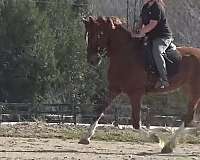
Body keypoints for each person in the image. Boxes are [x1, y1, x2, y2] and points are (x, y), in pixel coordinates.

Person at [134, 0, 173, 89]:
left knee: (157, 51)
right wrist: (135, 31)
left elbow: (152, 24)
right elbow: (140, 22)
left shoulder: (157, 7)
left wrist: (140, 32)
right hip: (150, 36)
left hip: (162, 37)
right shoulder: (145, 7)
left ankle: (164, 79)